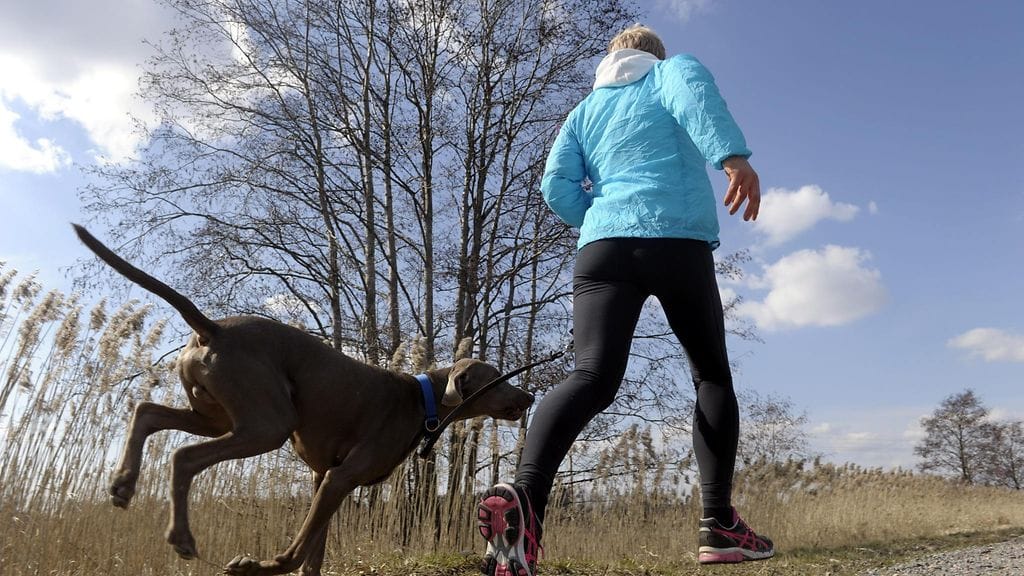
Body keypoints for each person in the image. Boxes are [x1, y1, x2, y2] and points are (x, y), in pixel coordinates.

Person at [473, 24, 774, 575]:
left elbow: (556, 186)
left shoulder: (583, 113)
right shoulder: (669, 72)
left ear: (610, 61)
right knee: (710, 376)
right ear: (650, 56)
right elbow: (696, 98)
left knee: (591, 375)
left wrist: (604, 219)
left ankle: (524, 500)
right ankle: (719, 525)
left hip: (603, 247)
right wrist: (732, 158)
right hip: (676, 240)